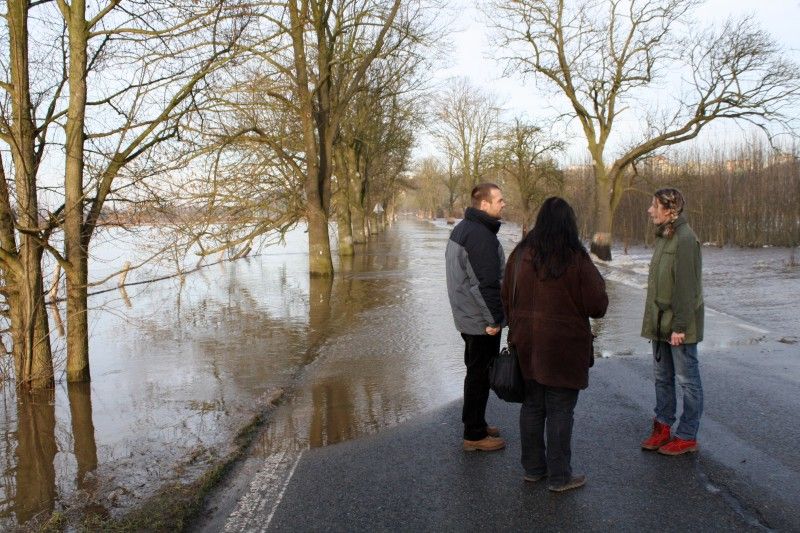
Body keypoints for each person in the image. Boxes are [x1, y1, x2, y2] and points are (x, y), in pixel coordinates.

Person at [502, 197, 608, 492]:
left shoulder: (520, 253)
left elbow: (505, 296)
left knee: (532, 406)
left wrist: (519, 327)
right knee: (560, 409)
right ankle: (560, 477)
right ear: (569, 224)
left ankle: (534, 470)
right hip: (563, 348)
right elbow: (598, 304)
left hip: (526, 344)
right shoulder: (574, 257)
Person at [640, 188, 705, 456]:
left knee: (687, 381)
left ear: (669, 209)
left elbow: (687, 288)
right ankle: (663, 426)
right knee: (662, 378)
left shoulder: (686, 239)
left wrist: (679, 326)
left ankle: (687, 435)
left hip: (679, 325)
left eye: (654, 205)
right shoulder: (664, 237)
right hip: (659, 322)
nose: (649, 210)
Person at [445, 183, 507, 452]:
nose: (503, 204)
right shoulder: (480, 236)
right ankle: (474, 434)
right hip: (479, 320)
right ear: (484, 205)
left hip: (468, 316)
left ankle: (477, 423)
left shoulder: (464, 229)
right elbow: (484, 284)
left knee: (476, 371)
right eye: (500, 200)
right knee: (479, 374)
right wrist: (495, 320)